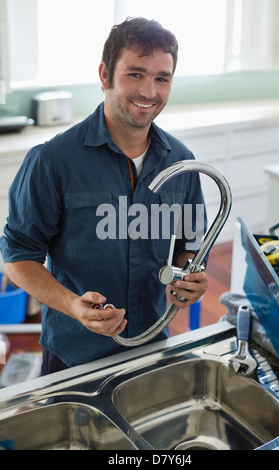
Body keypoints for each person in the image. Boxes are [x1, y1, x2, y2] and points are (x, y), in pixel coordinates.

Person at [0, 17, 208, 375]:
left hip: (153, 345)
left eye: (162, 78)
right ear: (104, 75)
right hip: (74, 354)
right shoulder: (52, 161)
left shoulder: (182, 162)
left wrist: (192, 276)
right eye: (135, 74)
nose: (149, 92)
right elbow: (18, 257)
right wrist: (74, 306)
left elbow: (189, 245)